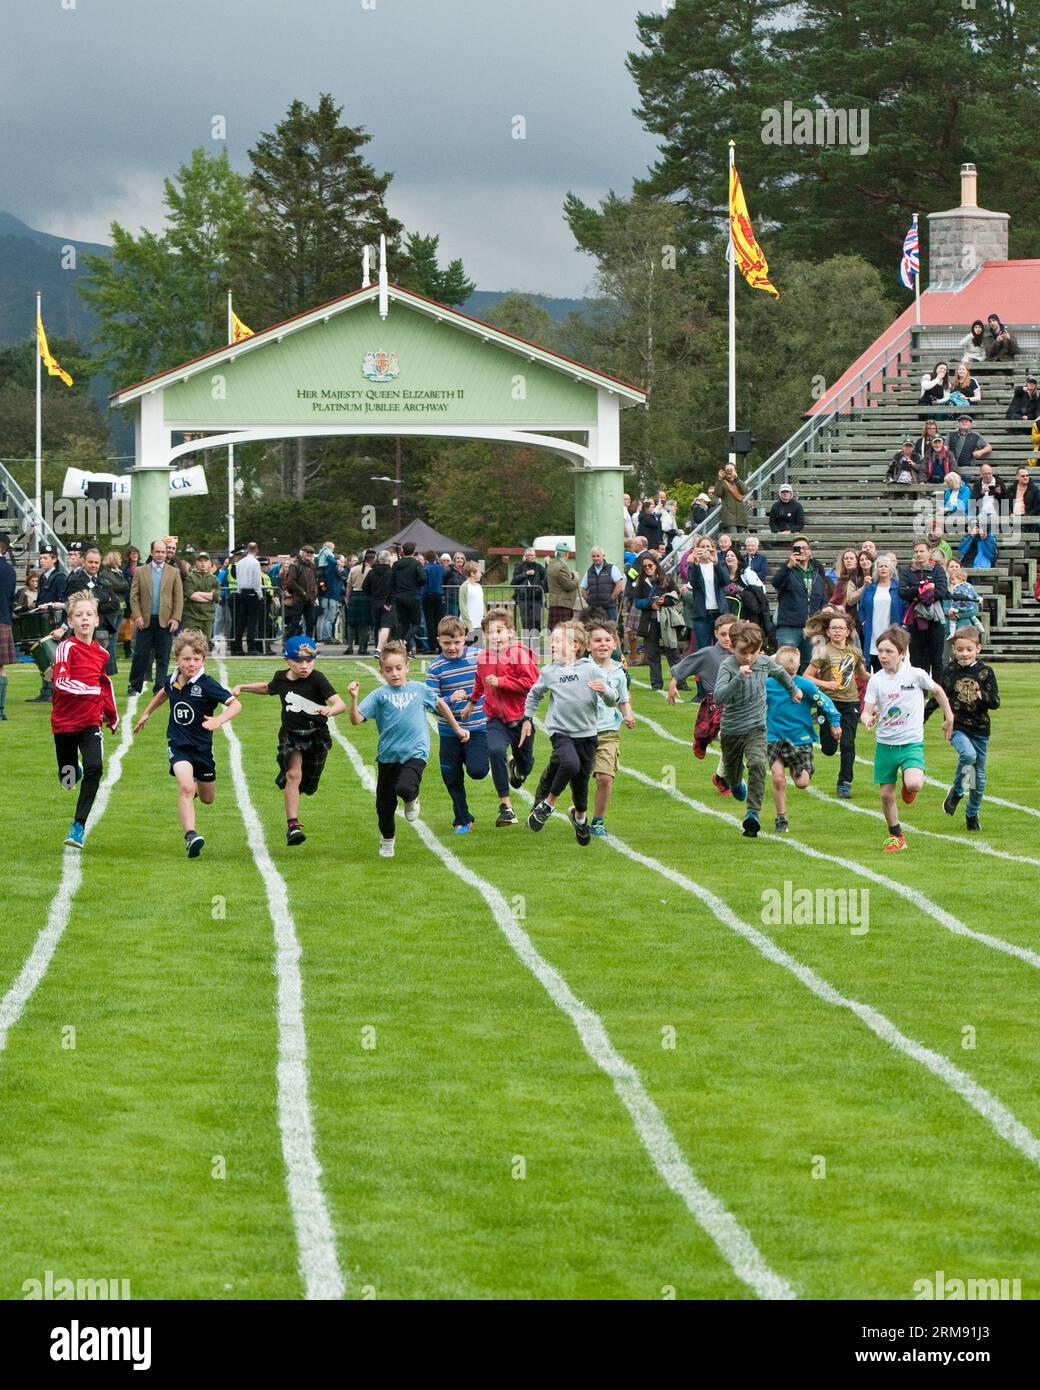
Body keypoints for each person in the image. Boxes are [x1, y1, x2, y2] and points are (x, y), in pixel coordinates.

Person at [347, 640, 470, 858]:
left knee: (404, 788)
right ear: (381, 672)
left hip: (415, 752)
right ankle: (387, 839)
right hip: (388, 756)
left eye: (398, 668)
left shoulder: (419, 689)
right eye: (388, 670)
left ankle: (412, 798)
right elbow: (356, 720)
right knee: (384, 805)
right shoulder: (379, 695)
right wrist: (354, 699)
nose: (394, 673)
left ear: (407, 667)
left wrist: (458, 728)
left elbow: (440, 704)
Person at [133, 629, 241, 858]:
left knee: (207, 798)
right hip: (179, 745)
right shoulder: (173, 680)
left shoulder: (208, 684)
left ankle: (191, 791)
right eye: (186, 659)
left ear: (203, 660)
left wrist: (218, 720)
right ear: (177, 660)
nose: (191, 664)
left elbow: (235, 705)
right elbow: (164, 692)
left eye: (196, 659)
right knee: (185, 787)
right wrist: (147, 713)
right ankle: (191, 836)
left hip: (202, 749)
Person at [231, 633, 345, 846]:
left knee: (308, 784)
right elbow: (268, 688)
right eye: (299, 661)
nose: (305, 666)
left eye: (309, 660)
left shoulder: (318, 678)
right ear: (287, 661)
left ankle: (297, 790)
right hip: (291, 735)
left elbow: (339, 703)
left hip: (316, 735)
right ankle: (293, 825)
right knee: (294, 774)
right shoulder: (281, 678)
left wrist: (330, 710)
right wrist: (243, 687)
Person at [532, 617, 633, 838]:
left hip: (606, 733)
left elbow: (621, 697)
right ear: (587, 646)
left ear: (615, 644)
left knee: (603, 777)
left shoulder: (618, 672)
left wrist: (627, 714)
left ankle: (595, 821)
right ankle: (543, 804)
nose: (603, 644)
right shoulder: (576, 668)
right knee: (560, 769)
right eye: (597, 640)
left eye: (608, 640)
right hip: (572, 731)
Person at [861, 625, 954, 852]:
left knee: (914, 783)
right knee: (885, 793)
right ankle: (896, 835)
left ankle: (908, 785)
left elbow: (939, 691)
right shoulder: (876, 680)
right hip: (885, 744)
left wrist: (949, 717)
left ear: (902, 653)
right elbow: (866, 709)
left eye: (889, 651)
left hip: (911, 742)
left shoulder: (916, 675)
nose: (883, 656)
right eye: (880, 650)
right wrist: (867, 719)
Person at [712, 620, 802, 837]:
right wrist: (738, 678)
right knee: (733, 773)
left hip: (756, 727)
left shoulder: (762, 662)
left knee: (757, 763)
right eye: (744, 653)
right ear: (733, 647)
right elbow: (718, 697)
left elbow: (780, 672)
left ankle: (753, 813)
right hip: (732, 729)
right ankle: (735, 783)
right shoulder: (728, 666)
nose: (750, 658)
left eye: (754, 652)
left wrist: (793, 690)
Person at [49, 592, 119, 848]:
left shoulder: (102, 653)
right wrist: (91, 691)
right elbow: (60, 682)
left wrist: (111, 714)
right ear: (71, 621)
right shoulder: (66, 647)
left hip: (90, 720)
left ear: (97, 619)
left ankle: (78, 826)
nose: (84, 619)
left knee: (95, 768)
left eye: (89, 614)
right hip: (64, 722)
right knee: (68, 781)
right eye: (79, 615)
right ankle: (72, 769)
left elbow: (103, 683)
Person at [459, 607, 539, 827]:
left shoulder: (519, 655)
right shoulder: (483, 657)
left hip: (521, 720)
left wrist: (503, 682)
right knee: (494, 750)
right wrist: (472, 702)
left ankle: (519, 768)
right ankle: (506, 807)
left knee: (525, 766)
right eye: (490, 632)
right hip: (495, 719)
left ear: (510, 633)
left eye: (499, 631)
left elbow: (533, 685)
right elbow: (479, 681)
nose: (495, 636)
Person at [926, 627, 999, 831]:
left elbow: (995, 702)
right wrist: (921, 717)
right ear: (954, 650)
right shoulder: (950, 670)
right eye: (960, 650)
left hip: (980, 729)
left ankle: (972, 814)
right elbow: (939, 697)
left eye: (969, 649)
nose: (964, 654)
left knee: (978, 778)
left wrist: (981, 695)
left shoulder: (986, 672)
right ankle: (957, 791)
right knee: (967, 755)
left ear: (978, 648)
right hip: (957, 726)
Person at [424, 615, 489, 833]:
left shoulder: (479, 657)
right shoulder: (436, 668)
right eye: (446, 643)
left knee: (478, 770)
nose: (452, 647)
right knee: (451, 777)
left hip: (478, 727)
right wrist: (451, 699)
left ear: (465, 639)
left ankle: (500, 755)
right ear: (438, 641)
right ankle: (462, 818)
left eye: (457, 642)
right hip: (449, 731)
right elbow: (430, 703)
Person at [766, 645, 842, 833]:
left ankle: (800, 767)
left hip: (800, 739)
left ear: (799, 664)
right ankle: (781, 818)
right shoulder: (768, 684)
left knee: (802, 783)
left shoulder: (805, 685)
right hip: (774, 736)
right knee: (777, 778)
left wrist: (834, 721)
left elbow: (824, 701)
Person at [667, 612, 737, 796]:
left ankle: (721, 777)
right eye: (723, 634)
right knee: (729, 739)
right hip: (715, 705)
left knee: (736, 742)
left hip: (738, 706)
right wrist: (673, 684)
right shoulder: (708, 653)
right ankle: (702, 739)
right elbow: (685, 666)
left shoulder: (743, 654)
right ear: (715, 634)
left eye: (732, 634)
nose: (728, 638)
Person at [805, 610, 870, 798]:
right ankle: (823, 746)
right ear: (828, 632)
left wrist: (880, 677)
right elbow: (807, 676)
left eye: (841, 628)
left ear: (848, 631)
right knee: (828, 748)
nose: (837, 631)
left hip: (850, 702)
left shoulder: (855, 653)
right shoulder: (822, 652)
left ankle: (844, 783)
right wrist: (826, 684)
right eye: (833, 628)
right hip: (827, 702)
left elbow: (862, 675)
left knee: (848, 744)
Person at [128, 538, 183, 695]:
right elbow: (134, 596)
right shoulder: (140, 571)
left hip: (165, 621)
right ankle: (134, 685)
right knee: (140, 655)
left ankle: (160, 687)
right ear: (152, 552)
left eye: (163, 552)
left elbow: (178, 597)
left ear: (166, 554)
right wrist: (137, 616)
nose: (160, 555)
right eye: (157, 552)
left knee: (163, 656)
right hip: (144, 621)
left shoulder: (174, 572)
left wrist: (176, 618)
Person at [772, 537, 830, 670]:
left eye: (805, 548)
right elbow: (775, 583)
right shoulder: (787, 572)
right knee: (785, 664)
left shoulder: (816, 576)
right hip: (789, 627)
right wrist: (788, 566)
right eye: (797, 548)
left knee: (809, 665)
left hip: (812, 628)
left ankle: (804, 691)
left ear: (810, 552)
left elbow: (823, 601)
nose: (802, 551)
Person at [899, 540, 949, 679]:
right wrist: (924, 588)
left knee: (936, 660)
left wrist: (915, 592)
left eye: (922, 551)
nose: (919, 554)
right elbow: (902, 592)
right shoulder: (907, 570)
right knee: (917, 660)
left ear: (929, 552)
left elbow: (942, 591)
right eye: (916, 551)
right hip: (915, 621)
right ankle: (920, 695)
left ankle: (938, 696)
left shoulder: (937, 569)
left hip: (935, 620)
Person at [633, 552, 682, 690]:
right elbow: (637, 603)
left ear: (656, 565)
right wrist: (651, 604)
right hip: (649, 622)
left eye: (650, 565)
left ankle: (680, 682)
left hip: (667, 621)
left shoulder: (666, 579)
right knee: (653, 654)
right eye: (645, 566)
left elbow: (676, 596)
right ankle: (656, 684)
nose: (648, 568)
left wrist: (664, 601)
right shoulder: (641, 582)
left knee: (673, 652)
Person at [857, 555, 906, 671]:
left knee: (890, 667)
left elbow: (905, 608)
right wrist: (863, 622)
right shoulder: (870, 588)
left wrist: (902, 626)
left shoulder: (898, 588)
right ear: (876, 570)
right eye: (880, 566)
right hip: (872, 632)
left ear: (891, 569)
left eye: (886, 566)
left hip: (891, 631)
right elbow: (862, 607)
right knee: (869, 666)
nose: (883, 568)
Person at [681, 537, 728, 651]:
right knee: (704, 650)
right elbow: (694, 584)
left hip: (719, 613)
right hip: (702, 614)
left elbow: (725, 581)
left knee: (722, 648)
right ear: (697, 549)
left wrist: (715, 562)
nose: (706, 549)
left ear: (713, 548)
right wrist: (696, 563)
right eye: (703, 547)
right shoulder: (694, 567)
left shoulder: (719, 564)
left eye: (708, 546)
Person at [390, 541, 424, 654]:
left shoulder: (396, 564)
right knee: (416, 624)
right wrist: (416, 583)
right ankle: (404, 641)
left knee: (403, 624)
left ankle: (402, 648)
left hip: (399, 596)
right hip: (412, 595)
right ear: (413, 552)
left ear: (403, 551)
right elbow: (423, 578)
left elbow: (392, 581)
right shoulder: (416, 564)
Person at [281, 545, 319, 640]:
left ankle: (308, 644)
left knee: (311, 622)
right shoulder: (295, 565)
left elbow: (314, 580)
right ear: (302, 553)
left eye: (311, 553)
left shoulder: (312, 566)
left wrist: (314, 594)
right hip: (299, 599)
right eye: (307, 552)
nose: (309, 554)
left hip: (310, 599)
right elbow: (290, 582)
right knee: (295, 622)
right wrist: (302, 591)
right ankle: (287, 643)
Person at [363, 549, 395, 654]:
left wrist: (371, 596)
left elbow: (365, 587)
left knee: (377, 626)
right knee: (386, 626)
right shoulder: (391, 573)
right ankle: (384, 648)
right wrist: (389, 602)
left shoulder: (372, 572)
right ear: (388, 560)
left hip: (375, 602)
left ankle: (378, 647)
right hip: (386, 602)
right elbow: (393, 589)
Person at [182, 552, 217, 644]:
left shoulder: (214, 579)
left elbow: (216, 596)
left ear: (210, 563)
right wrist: (209, 596)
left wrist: (198, 593)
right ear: (196, 563)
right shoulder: (190, 578)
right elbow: (191, 595)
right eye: (200, 561)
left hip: (208, 616)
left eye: (205, 561)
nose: (203, 563)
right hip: (192, 616)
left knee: (204, 645)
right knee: (191, 644)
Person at [580, 547, 624, 622]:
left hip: (609, 608)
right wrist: (588, 600)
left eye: (598, 556)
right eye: (593, 556)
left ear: (603, 556)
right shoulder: (589, 571)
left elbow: (619, 585)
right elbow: (583, 588)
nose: (596, 558)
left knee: (611, 630)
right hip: (594, 609)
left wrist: (611, 598)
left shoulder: (612, 568)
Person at [345, 550, 375, 655]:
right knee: (365, 624)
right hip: (366, 597)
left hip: (355, 596)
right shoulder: (371, 570)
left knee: (351, 624)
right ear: (371, 559)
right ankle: (362, 648)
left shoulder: (353, 569)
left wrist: (348, 599)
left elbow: (349, 587)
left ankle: (349, 647)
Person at [511, 547, 546, 638]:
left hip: (536, 598)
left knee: (536, 620)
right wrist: (525, 574)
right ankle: (527, 643)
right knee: (526, 621)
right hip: (523, 598)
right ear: (525, 556)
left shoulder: (539, 567)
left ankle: (535, 641)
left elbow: (545, 579)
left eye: (533, 555)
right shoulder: (519, 567)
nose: (532, 557)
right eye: (530, 555)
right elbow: (513, 581)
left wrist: (547, 564)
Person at [546, 542, 581, 629]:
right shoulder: (561, 566)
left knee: (554, 629)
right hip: (562, 603)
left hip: (555, 602)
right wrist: (576, 578)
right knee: (564, 630)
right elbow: (569, 586)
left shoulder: (552, 565)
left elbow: (560, 581)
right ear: (565, 554)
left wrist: (570, 576)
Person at [0, 532, 15, 720]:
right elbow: (11, 600)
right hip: (4, 619)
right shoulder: (10, 571)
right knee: (1, 668)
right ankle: (1, 710)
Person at [421, 550, 446, 650]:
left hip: (428, 595)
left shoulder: (425, 569)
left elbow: (424, 585)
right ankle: (440, 645)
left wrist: (421, 599)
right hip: (438, 595)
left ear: (426, 558)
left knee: (429, 622)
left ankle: (432, 646)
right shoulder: (440, 568)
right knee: (439, 621)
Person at [717, 464, 749, 532]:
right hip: (729, 516)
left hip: (741, 516)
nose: (729, 471)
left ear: (735, 470)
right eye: (727, 470)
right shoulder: (722, 483)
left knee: (740, 540)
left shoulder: (738, 481)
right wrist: (720, 479)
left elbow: (744, 490)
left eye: (731, 469)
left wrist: (736, 478)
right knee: (733, 538)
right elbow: (718, 493)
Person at [458, 560, 485, 636]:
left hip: (478, 624)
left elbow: (481, 604)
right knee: (468, 647)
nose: (481, 574)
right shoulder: (464, 587)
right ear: (472, 573)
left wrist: (484, 618)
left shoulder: (479, 587)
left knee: (478, 647)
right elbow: (462, 606)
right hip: (468, 625)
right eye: (479, 572)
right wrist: (468, 625)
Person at [442, 551, 467, 617]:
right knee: (453, 620)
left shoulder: (465, 572)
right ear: (454, 560)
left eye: (462, 558)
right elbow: (442, 583)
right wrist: (444, 594)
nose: (460, 559)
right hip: (451, 600)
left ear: (464, 561)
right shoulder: (449, 570)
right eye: (458, 558)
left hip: (462, 600)